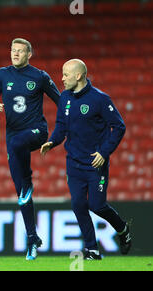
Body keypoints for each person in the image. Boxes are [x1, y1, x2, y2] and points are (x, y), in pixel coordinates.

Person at [40, 59, 131, 260]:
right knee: (78, 205)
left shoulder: (100, 99)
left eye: (65, 74)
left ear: (79, 76)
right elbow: (61, 126)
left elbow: (119, 127)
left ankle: (123, 229)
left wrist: (104, 152)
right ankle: (92, 250)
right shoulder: (64, 97)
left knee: (97, 205)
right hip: (73, 163)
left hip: (95, 163)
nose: (62, 79)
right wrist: (52, 142)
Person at [0, 38, 61, 260]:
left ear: (29, 54)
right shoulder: (2, 74)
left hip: (36, 132)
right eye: (12, 50)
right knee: (22, 193)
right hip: (12, 137)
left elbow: (61, 101)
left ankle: (28, 181)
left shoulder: (39, 76)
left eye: (20, 51)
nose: (15, 54)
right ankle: (32, 238)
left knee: (20, 148)